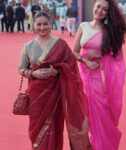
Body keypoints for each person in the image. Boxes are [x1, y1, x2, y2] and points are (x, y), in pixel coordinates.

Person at [18, 11, 90, 150]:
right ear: (33, 25)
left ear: (51, 25)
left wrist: (56, 71)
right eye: (38, 24)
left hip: (56, 94)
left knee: (55, 127)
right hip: (36, 96)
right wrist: (34, 73)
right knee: (36, 129)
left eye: (45, 24)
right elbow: (21, 68)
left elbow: (71, 65)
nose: (42, 27)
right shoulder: (28, 46)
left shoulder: (60, 44)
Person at [73, 0, 126, 149]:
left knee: (102, 113)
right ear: (93, 7)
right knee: (86, 114)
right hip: (82, 77)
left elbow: (117, 59)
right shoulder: (83, 26)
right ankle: (91, 143)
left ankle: (104, 145)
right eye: (98, 7)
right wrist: (85, 60)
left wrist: (101, 57)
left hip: (99, 80)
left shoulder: (109, 32)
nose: (100, 11)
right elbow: (74, 52)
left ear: (108, 13)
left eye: (105, 9)